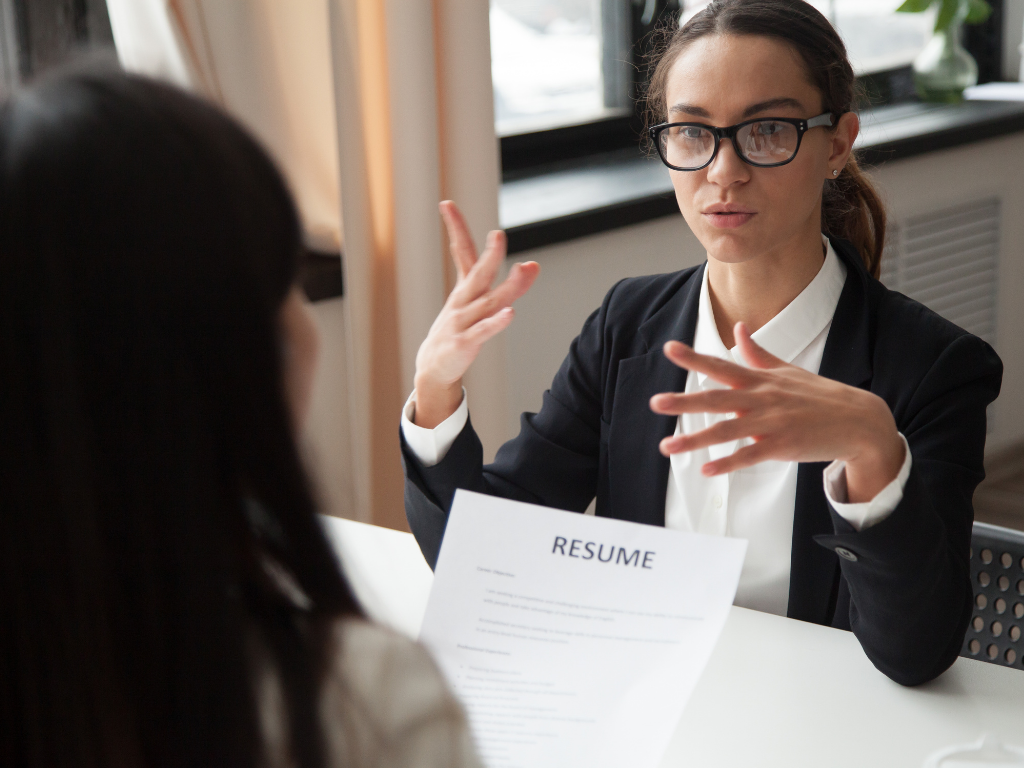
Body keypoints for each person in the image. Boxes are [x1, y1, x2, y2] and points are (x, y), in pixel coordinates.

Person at [401, 0, 1003, 687]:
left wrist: (872, 447)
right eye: (691, 133)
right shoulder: (627, 326)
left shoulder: (932, 367)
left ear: (837, 144)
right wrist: (435, 388)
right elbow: (482, 555)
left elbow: (916, 655)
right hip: (646, 709)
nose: (723, 171)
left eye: (768, 130)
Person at [0, 71, 481, 768]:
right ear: (228, 350)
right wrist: (435, 395)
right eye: (284, 276)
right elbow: (484, 530)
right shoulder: (362, 701)